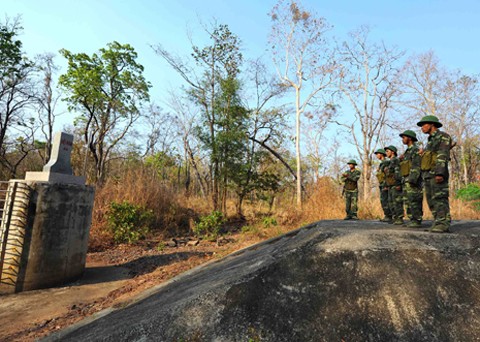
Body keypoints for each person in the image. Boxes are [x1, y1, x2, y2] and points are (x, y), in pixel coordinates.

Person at [417, 115, 452, 232]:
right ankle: (437, 222)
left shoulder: (443, 136)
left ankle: (443, 223)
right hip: (428, 175)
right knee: (431, 199)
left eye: (423, 124)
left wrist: (440, 173)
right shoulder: (430, 141)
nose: (422, 127)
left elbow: (442, 155)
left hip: (436, 173)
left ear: (432, 124)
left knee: (440, 198)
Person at [399, 130, 423, 228]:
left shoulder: (415, 150)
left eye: (404, 137)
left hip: (412, 180)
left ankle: (416, 220)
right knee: (408, 200)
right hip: (406, 179)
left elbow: (416, 165)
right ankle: (412, 219)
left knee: (414, 199)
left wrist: (413, 179)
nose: (402, 139)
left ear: (410, 138)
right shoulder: (407, 152)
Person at [384, 145, 404, 225]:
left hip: (395, 184)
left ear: (393, 152)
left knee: (397, 202)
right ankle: (395, 217)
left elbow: (397, 172)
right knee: (391, 202)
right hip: (391, 185)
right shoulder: (390, 162)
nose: (386, 153)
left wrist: (398, 183)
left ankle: (399, 218)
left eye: (387, 151)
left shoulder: (395, 160)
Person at [374, 148, 392, 222]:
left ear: (381, 154)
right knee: (383, 200)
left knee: (385, 200)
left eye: (377, 154)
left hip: (385, 185)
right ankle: (387, 216)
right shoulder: (382, 163)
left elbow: (387, 175)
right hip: (382, 184)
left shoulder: (385, 162)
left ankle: (389, 216)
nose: (377, 155)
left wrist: (386, 185)